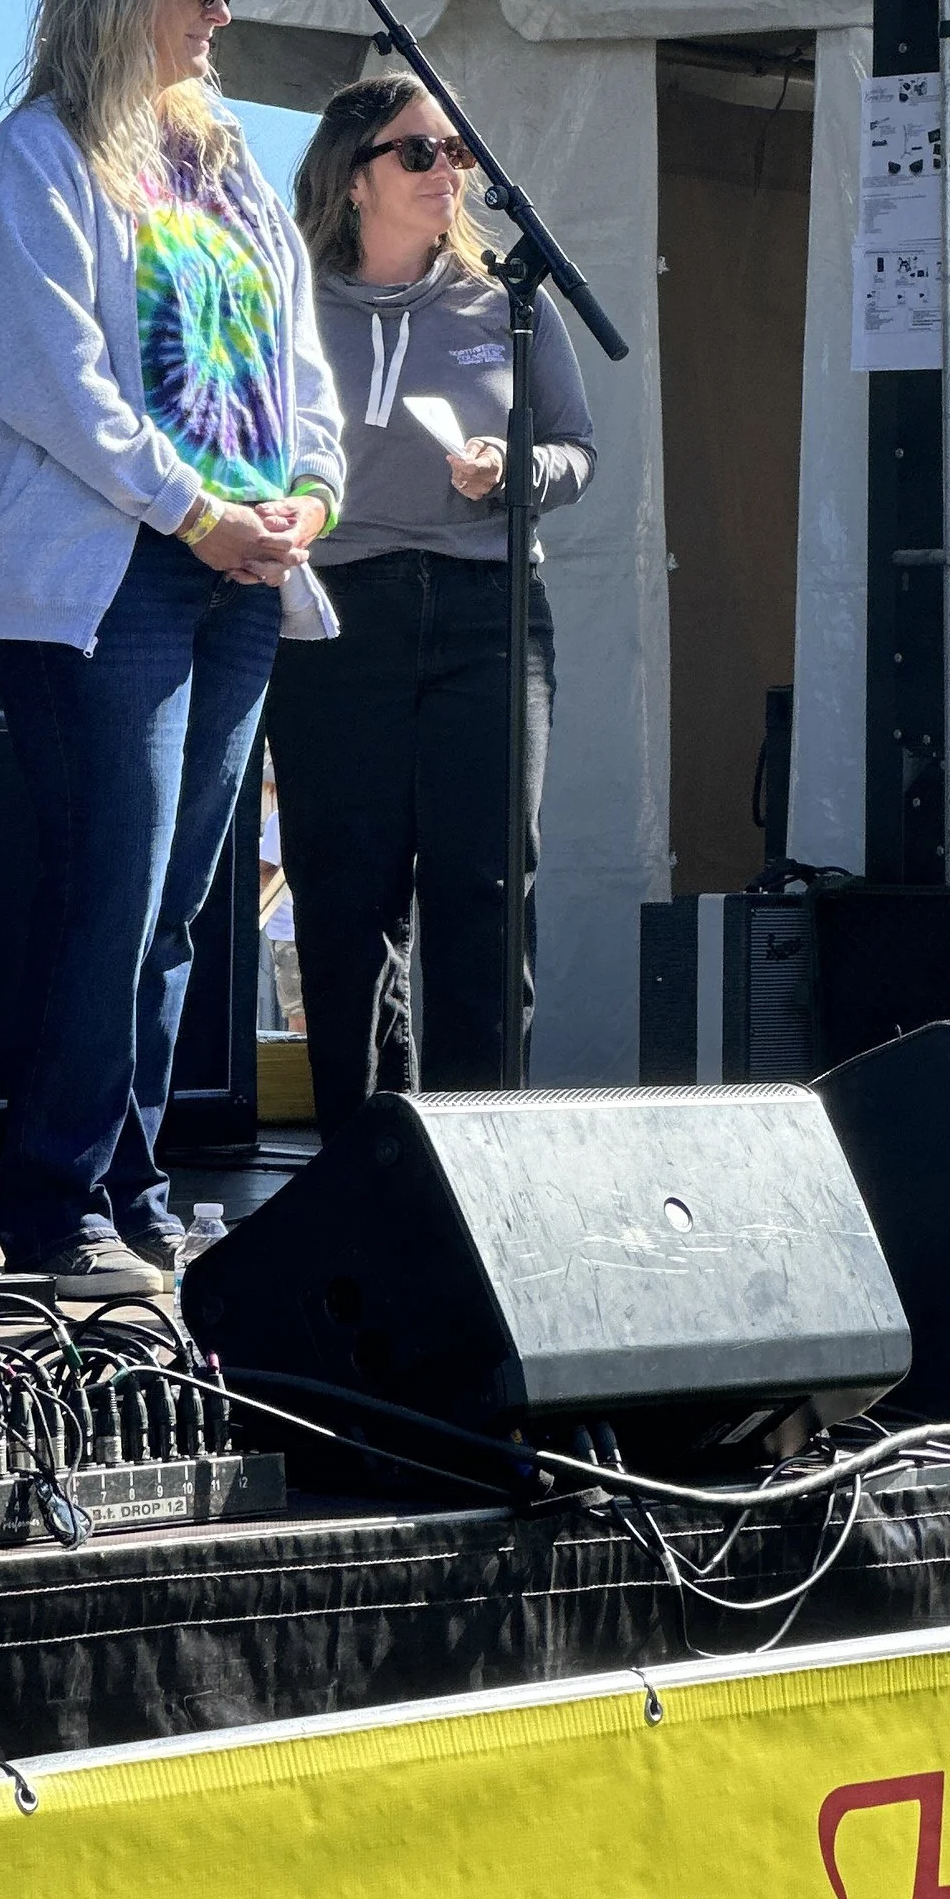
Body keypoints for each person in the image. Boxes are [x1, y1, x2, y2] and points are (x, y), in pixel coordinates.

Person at [0, 0, 345, 1296]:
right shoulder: (35, 164)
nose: (223, 11)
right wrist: (194, 510)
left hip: (235, 578)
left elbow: (303, 368)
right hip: (107, 582)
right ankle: (56, 1205)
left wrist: (306, 496)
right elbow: (50, 378)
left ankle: (133, 1180)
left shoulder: (231, 171)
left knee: (176, 907)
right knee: (110, 890)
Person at [266, 71, 596, 1125]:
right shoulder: (289, 303)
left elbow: (580, 452)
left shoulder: (505, 298)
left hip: (486, 616)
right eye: (419, 152)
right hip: (336, 613)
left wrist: (516, 472)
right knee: (344, 890)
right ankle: (362, 1154)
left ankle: (483, 1151)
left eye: (457, 153)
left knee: (486, 890)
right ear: (352, 179)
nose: (448, 171)